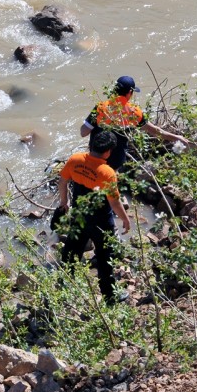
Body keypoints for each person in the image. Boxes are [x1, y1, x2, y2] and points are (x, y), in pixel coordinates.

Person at [57, 130, 131, 305]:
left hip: (79, 213)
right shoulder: (107, 172)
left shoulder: (75, 160)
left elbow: (62, 182)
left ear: (91, 146)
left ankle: (64, 285)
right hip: (101, 220)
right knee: (105, 257)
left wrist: (64, 202)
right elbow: (114, 203)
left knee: (72, 249)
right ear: (108, 152)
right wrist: (126, 219)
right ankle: (109, 296)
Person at [80, 76, 190, 172]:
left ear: (114, 90)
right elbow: (155, 131)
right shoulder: (134, 112)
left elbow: (83, 132)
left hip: (95, 158)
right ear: (129, 93)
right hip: (116, 163)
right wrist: (176, 137)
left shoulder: (101, 107)